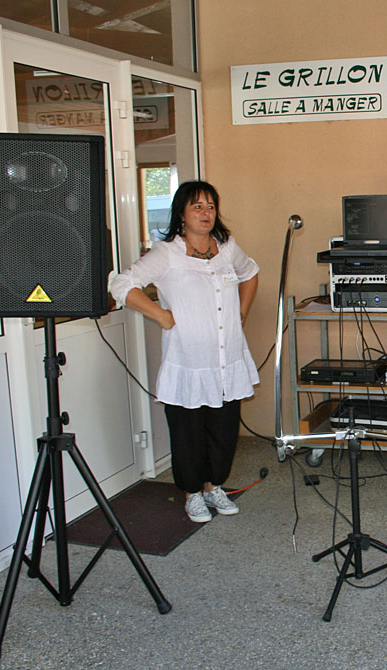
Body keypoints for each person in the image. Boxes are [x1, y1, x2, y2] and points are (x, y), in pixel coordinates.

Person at [110, 181, 260, 523]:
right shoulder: (166, 254)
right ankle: (193, 493)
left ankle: (213, 487)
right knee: (189, 431)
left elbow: (251, 273)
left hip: (227, 359)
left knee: (222, 430)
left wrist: (242, 312)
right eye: (197, 207)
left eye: (210, 206)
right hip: (188, 362)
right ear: (181, 213)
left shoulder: (227, 247)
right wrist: (161, 315)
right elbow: (121, 284)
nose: (206, 213)